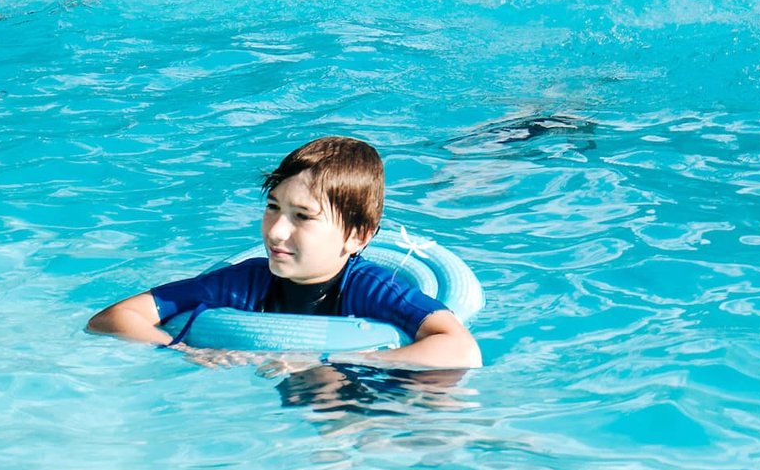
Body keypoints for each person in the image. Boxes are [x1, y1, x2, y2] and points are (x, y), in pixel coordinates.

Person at [87, 136, 483, 370]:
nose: (276, 230)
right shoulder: (244, 283)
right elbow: (112, 318)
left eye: (302, 217)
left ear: (357, 236)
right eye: (273, 207)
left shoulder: (370, 289)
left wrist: (334, 360)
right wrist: (183, 350)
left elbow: (460, 348)